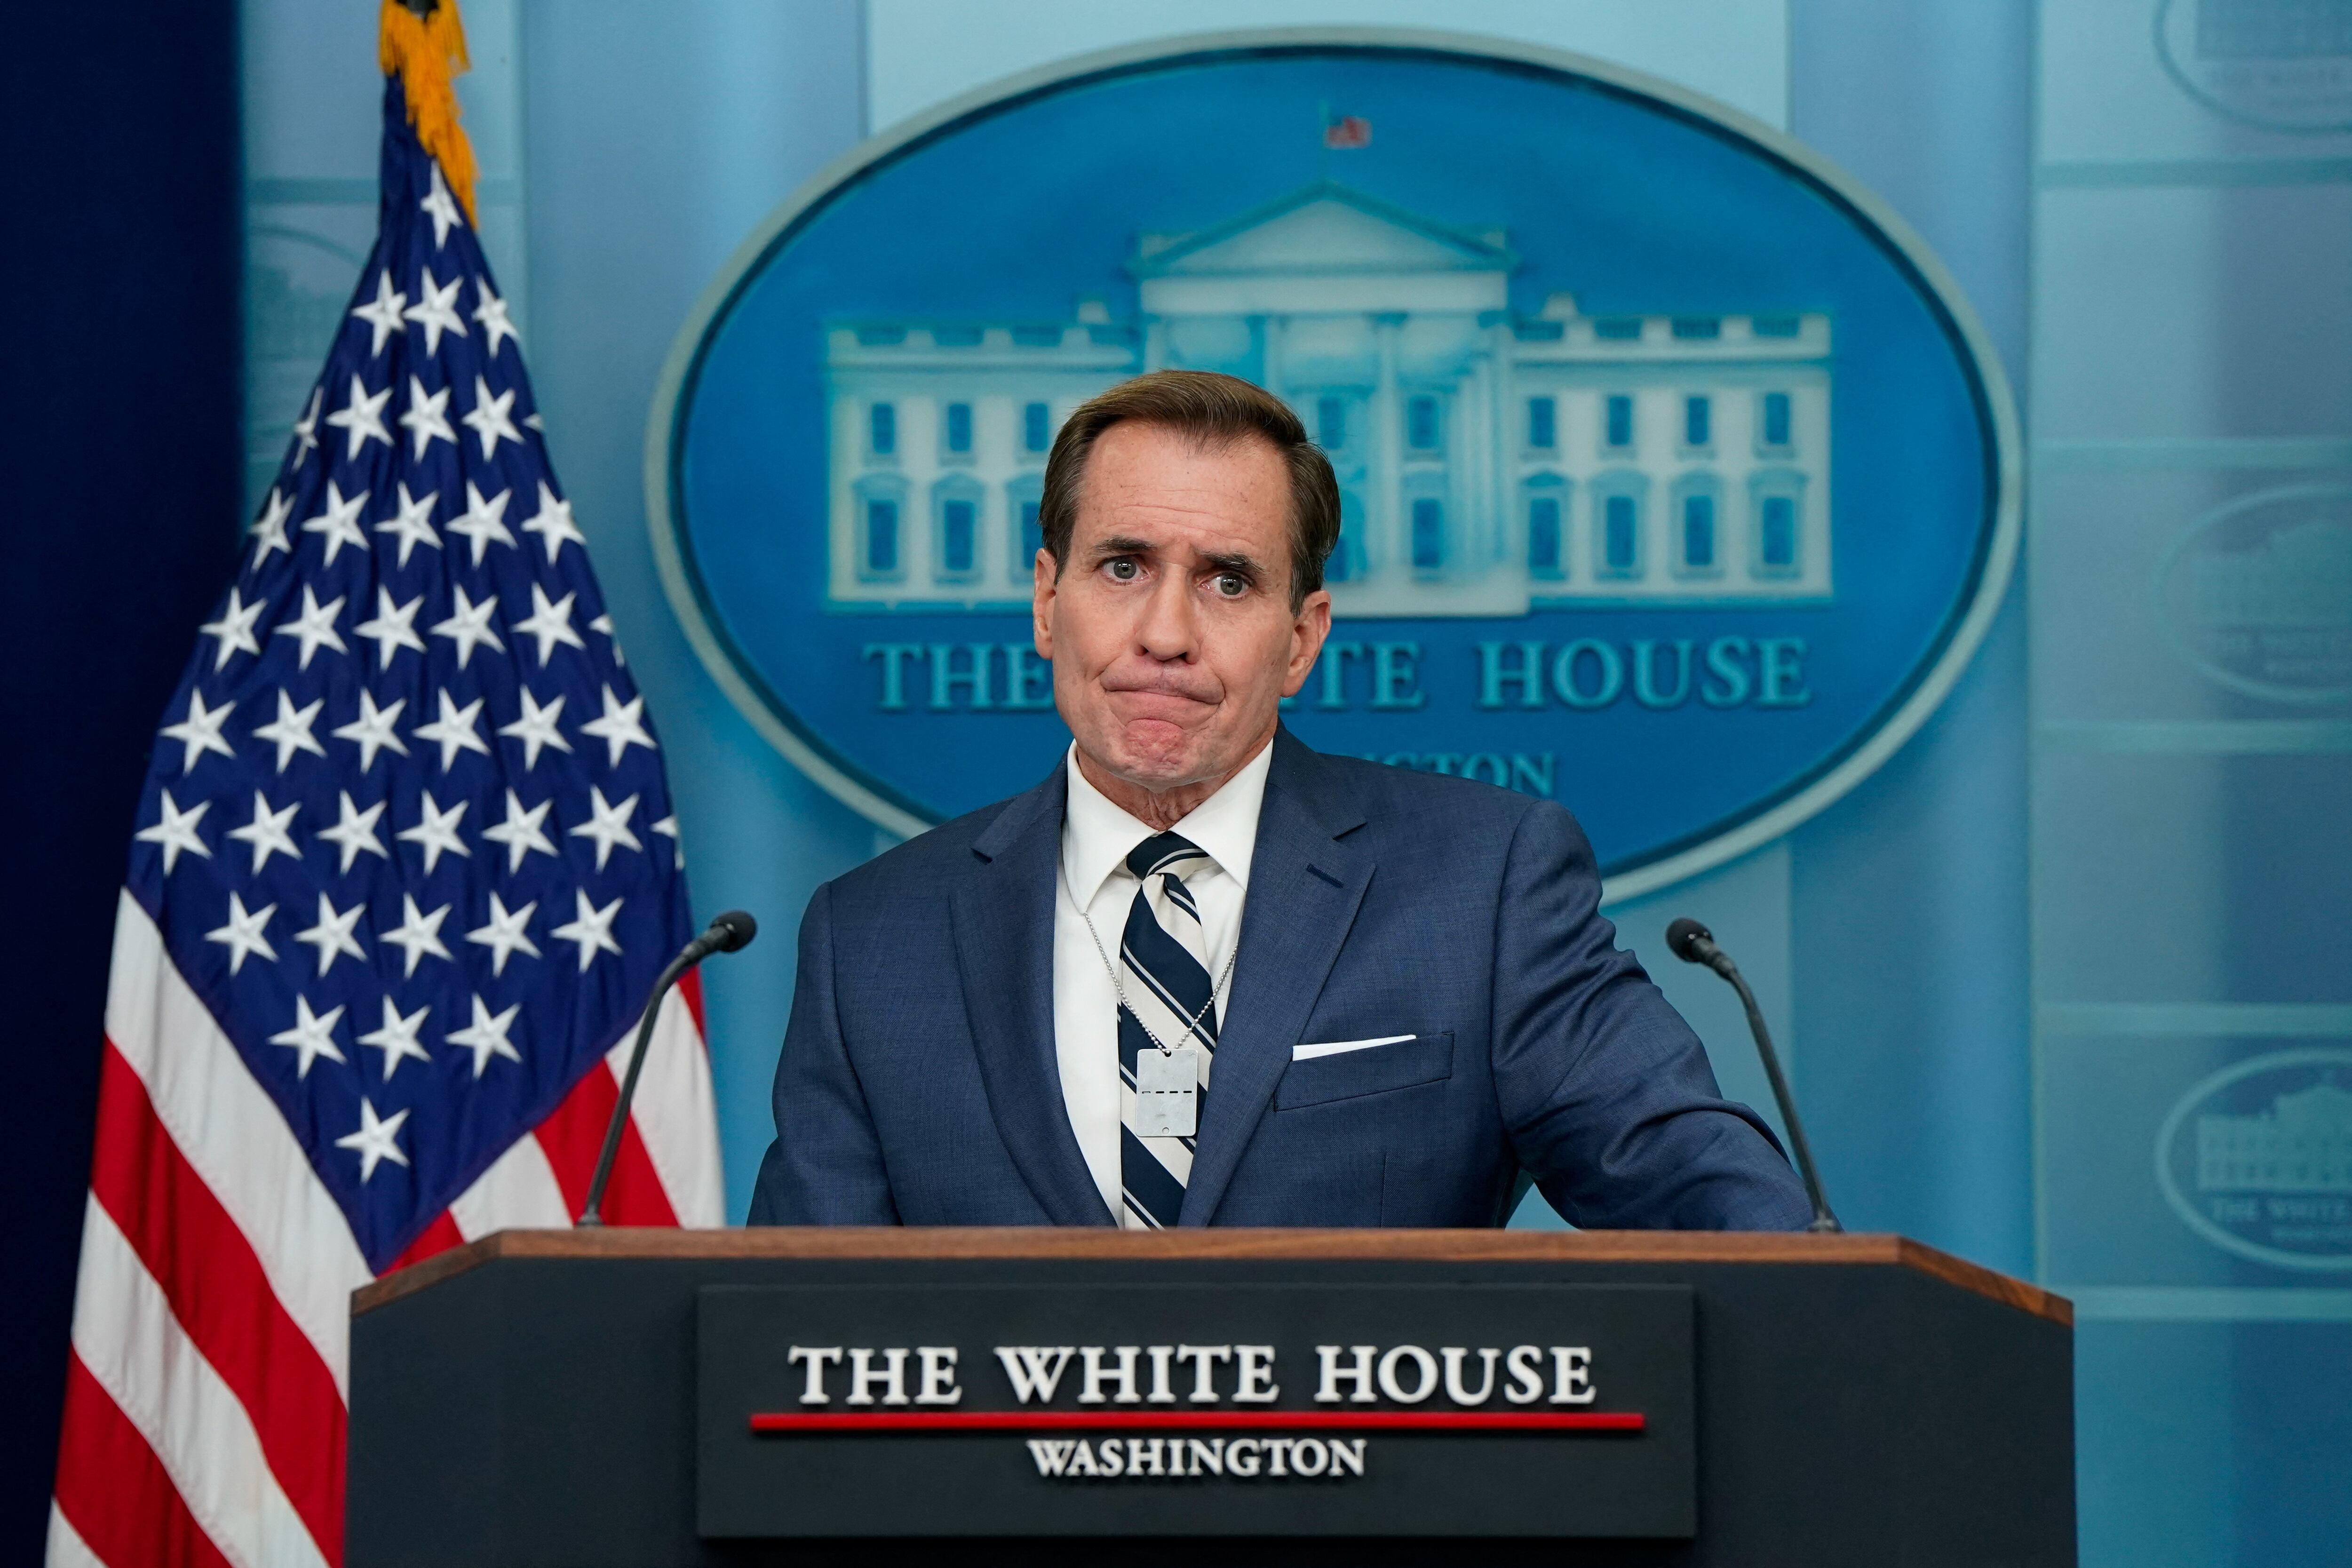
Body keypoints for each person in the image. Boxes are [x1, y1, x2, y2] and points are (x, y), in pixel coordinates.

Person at [750, 370, 1810, 1230]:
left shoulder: (1481, 887)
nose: (1164, 632)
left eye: (1226, 581)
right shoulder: (873, 940)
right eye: (1122, 566)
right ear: (1045, 600)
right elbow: (782, 1336)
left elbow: (1701, 1193)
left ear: (1301, 638)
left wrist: (1839, 1309)